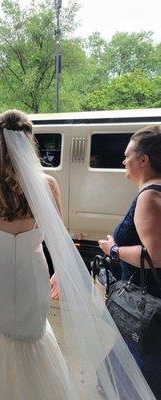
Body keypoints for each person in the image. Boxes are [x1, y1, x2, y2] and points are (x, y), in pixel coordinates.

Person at [0, 110, 155, 400]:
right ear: (28, 143)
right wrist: (60, 272)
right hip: (33, 274)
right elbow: (59, 239)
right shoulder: (47, 184)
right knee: (32, 337)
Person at [99, 125, 161, 399]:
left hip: (144, 310)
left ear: (144, 159)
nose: (124, 161)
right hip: (148, 307)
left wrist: (114, 249)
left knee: (138, 381)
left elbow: (154, 255)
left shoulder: (149, 196)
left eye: (128, 156)